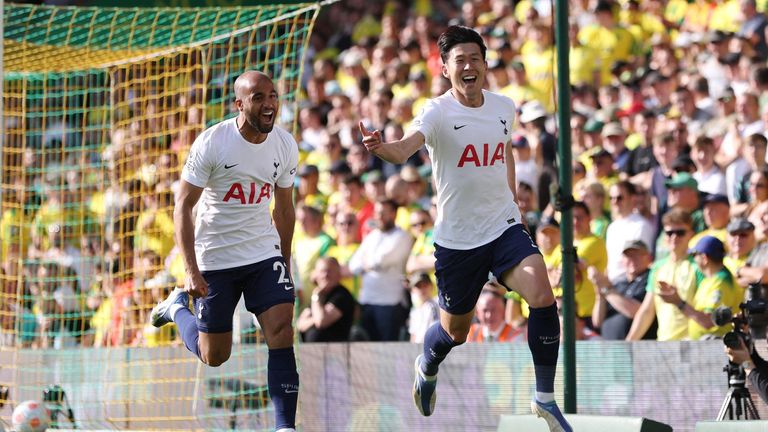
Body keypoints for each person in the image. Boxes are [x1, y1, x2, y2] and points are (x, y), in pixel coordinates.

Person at [359, 25, 571, 431]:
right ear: (444, 69)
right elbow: (404, 148)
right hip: (458, 241)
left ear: (486, 64)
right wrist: (382, 148)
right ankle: (427, 363)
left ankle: (544, 398)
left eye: (476, 58)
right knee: (455, 332)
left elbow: (504, 150)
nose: (469, 66)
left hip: (504, 226)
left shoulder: (504, 106)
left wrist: (515, 204)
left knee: (543, 295)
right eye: (460, 60)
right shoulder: (436, 111)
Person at [149, 71, 300, 432]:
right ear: (240, 104)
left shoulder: (284, 143)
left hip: (263, 253)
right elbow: (182, 206)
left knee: (281, 330)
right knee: (214, 356)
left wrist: (285, 259)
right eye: (260, 97)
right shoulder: (213, 143)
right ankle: (176, 310)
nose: (269, 104)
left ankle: (284, 427)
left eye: (274, 96)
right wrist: (190, 271)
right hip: (215, 256)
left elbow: (283, 208)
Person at [296, 257, 357, 342]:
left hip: (335, 352)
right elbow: (299, 325)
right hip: (311, 351)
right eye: (322, 271)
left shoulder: (342, 295)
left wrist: (316, 296)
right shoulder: (320, 295)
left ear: (338, 274)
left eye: (329, 271)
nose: (325, 275)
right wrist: (316, 318)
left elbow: (321, 322)